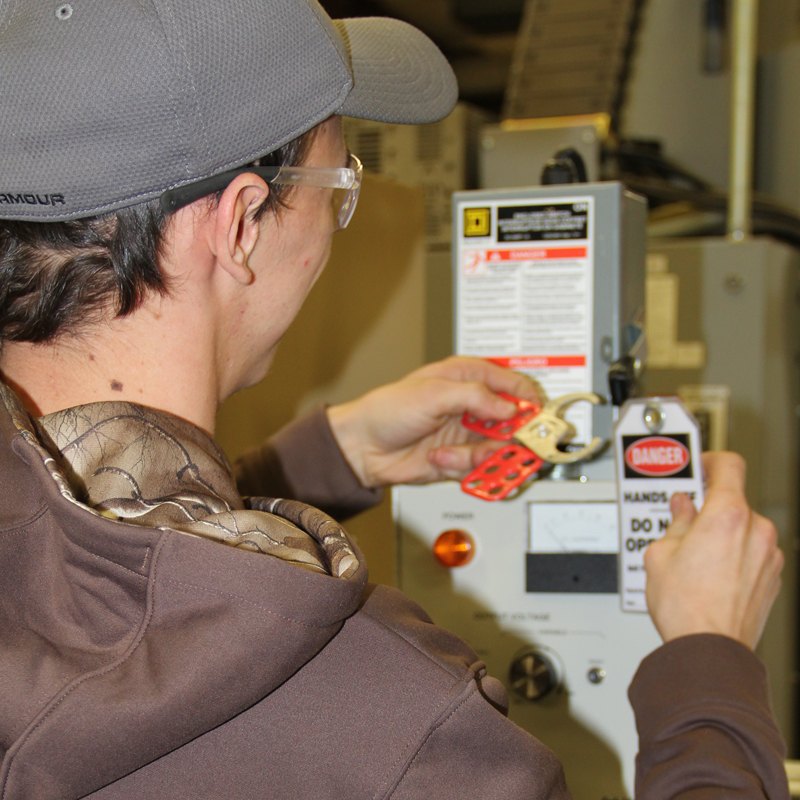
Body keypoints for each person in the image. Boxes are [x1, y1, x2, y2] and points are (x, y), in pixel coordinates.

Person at [0, 1, 787, 798]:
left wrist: (325, 457)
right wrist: (709, 663)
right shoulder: (401, 726)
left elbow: (97, 569)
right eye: (339, 186)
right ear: (241, 225)